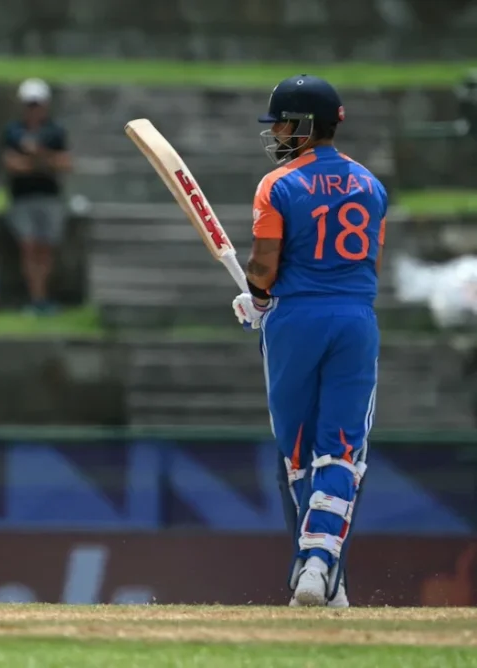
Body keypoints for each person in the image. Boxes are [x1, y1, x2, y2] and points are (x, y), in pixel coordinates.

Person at [233, 74, 386, 608]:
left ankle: (315, 568)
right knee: (341, 451)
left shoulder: (277, 185)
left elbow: (264, 264)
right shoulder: (372, 185)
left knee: (299, 453)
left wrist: (255, 300)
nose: (275, 131)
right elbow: (369, 262)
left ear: (303, 124)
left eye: (280, 121)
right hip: (354, 319)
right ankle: (323, 569)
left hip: (296, 319)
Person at [1, 78, 72, 315]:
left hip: (48, 197)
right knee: (29, 247)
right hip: (23, 197)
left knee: (45, 248)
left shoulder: (55, 131)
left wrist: (36, 156)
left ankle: (42, 297)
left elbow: (64, 163)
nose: (33, 109)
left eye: (37, 104)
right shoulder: (13, 131)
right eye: (30, 105)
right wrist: (42, 163)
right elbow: (11, 164)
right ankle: (36, 298)